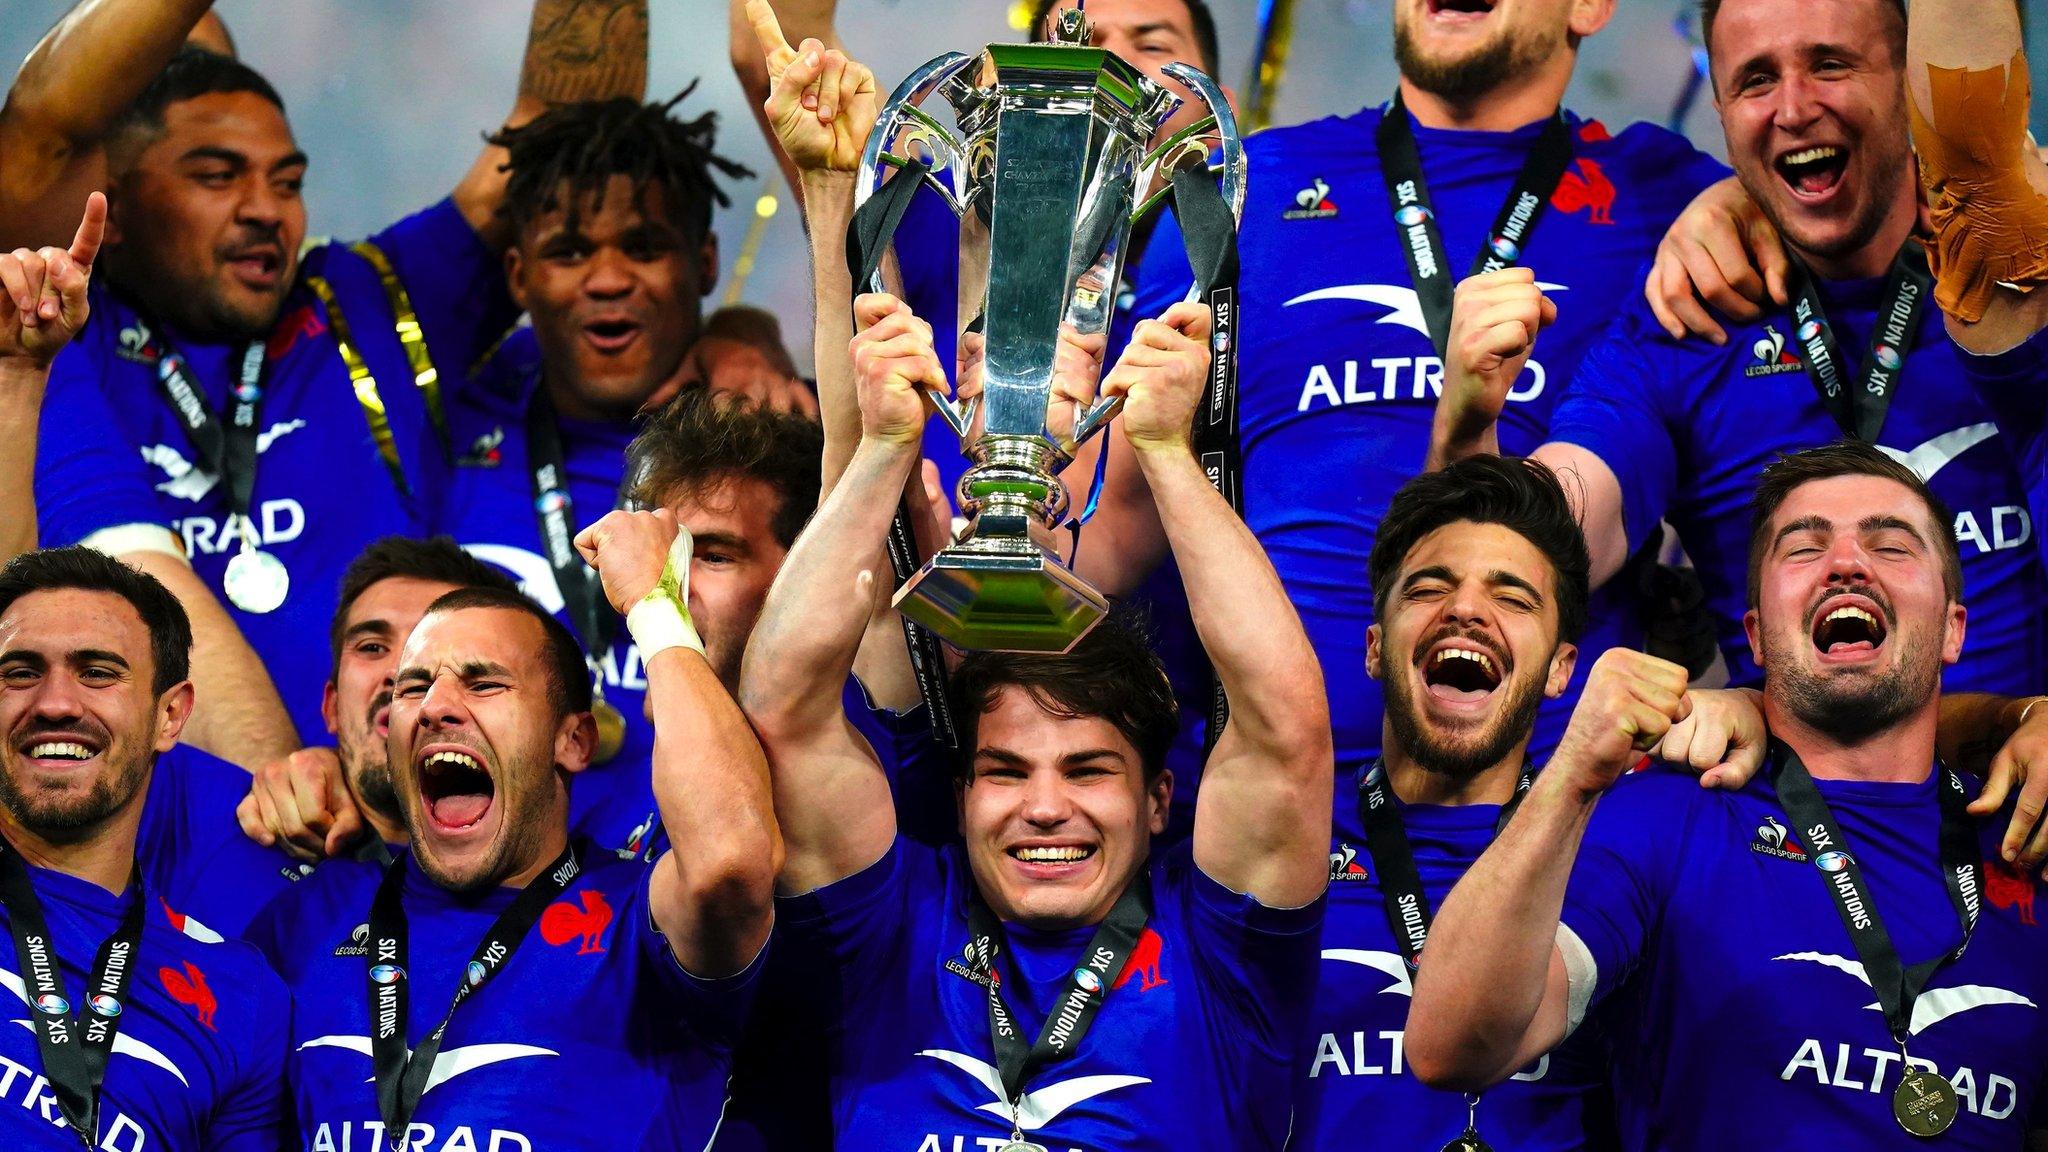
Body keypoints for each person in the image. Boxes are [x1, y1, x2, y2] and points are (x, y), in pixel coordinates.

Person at [736, 269, 1330, 1150]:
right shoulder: (893, 927)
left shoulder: (1225, 957)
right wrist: (883, 448)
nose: (1044, 807)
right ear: (963, 791)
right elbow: (781, 708)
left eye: (1088, 769)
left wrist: (1165, 452)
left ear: (1160, 799)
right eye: (1005, 771)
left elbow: (1286, 728)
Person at [1091, 0, 1731, 788]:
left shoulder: (1668, 202)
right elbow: (1114, 534)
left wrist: (1744, 206)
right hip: (1268, 817)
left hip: (1546, 819)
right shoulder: (1243, 190)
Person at [23, 0, 650, 767]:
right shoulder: (53, 340)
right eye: (217, 177)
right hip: (194, 855)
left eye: (286, 182)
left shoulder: (371, 299)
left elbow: (566, 124)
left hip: (418, 834)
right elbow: (42, 128)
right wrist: (285, 792)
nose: (265, 210)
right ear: (109, 205)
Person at [1407, 442, 2048, 1147]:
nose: (1845, 564)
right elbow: (1452, 1046)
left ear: (1954, 628)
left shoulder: (2023, 832)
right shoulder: (1666, 819)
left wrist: (2018, 713)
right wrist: (1571, 776)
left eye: (1891, 546)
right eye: (1803, 549)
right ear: (1757, 636)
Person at [1431, 0, 2045, 707]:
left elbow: (1984, 143)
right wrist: (1469, 424)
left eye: (1830, 64)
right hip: (1797, 811)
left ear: (1908, 82)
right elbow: (1541, 544)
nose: (1792, 107)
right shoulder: (1686, 318)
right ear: (1720, 111)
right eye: (1755, 80)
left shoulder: (2008, 283)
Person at [248, 530, 779, 1150]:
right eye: (413, 689)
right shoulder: (307, 918)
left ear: (573, 741)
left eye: (484, 683)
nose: (433, 707)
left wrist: (653, 607)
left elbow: (734, 862)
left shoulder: (636, 917)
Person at [1302, 455, 1776, 1149]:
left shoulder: (1621, 844)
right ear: (1375, 648)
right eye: (1430, 589)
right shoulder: (1287, 844)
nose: (1465, 610)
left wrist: (1755, 704)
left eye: (1514, 599)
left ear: (1561, 669)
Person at [431, 93, 812, 853]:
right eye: (570, 252)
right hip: (506, 897)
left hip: (713, 892)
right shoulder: (444, 423)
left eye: (642, 247)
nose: (607, 279)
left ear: (703, 262)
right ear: (517, 274)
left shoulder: (774, 442)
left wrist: (745, 332)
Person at [0, 547, 286, 1148]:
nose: (54, 703)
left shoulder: (242, 998)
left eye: (98, 672)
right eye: (20, 672)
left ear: (170, 715)